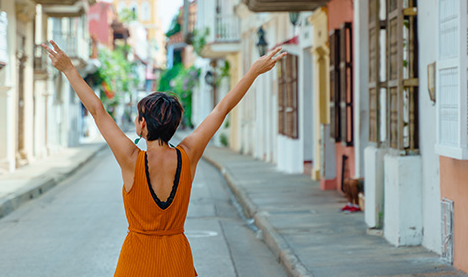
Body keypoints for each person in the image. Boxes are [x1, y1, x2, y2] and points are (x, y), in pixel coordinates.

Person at [42, 40, 286, 277]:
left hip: (135, 264)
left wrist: (68, 69)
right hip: (177, 262)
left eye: (139, 116)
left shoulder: (130, 158)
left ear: (143, 125)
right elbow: (221, 110)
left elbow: (97, 110)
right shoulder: (187, 155)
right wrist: (254, 72)